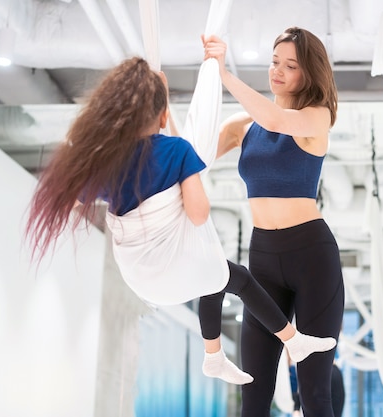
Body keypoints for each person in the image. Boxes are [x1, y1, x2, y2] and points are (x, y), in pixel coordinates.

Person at [24, 56, 337, 387]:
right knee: (233, 277)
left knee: (216, 273)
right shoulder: (177, 151)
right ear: (163, 116)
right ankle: (290, 340)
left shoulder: (108, 161)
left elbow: (77, 198)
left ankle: (217, 357)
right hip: (173, 268)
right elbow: (198, 213)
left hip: (138, 275)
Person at [203, 27, 345, 416]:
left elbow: (277, 119)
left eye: (291, 66)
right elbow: (192, 155)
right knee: (254, 390)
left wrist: (225, 73)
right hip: (263, 256)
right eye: (274, 62)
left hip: (312, 256)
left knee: (315, 393)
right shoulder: (242, 126)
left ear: (309, 74)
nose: (278, 71)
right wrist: (158, 106)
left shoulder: (317, 118)